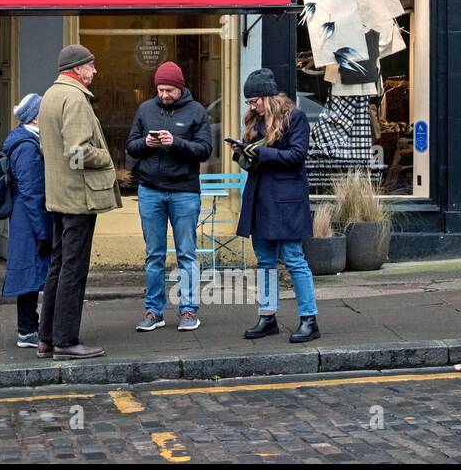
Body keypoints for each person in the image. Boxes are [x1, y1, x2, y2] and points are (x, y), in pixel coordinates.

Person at [36, 45, 121, 361]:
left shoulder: (50, 96)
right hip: (78, 198)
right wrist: (107, 156)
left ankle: (47, 338)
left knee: (58, 266)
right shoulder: (74, 99)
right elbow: (78, 152)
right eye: (91, 65)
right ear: (76, 68)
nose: (95, 71)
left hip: (60, 195)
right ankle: (66, 341)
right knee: (74, 268)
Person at [227, 68, 320, 344]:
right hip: (260, 200)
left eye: (254, 100)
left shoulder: (296, 118)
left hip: (286, 202)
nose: (252, 106)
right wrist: (242, 153)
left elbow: (297, 156)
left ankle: (309, 320)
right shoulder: (255, 122)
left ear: (269, 96)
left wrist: (261, 152)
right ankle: (267, 318)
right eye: (249, 102)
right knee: (265, 261)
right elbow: (256, 162)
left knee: (294, 259)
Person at [126, 61, 212, 333]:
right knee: (154, 254)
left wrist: (176, 143)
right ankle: (154, 311)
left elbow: (204, 150)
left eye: (169, 90)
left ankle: (188, 310)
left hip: (184, 191)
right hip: (150, 189)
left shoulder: (197, 111)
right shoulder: (145, 109)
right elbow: (130, 146)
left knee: (186, 253)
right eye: (161, 90)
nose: (164, 95)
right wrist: (146, 143)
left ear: (180, 87)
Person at [1, 93, 53, 348]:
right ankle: (27, 331)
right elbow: (33, 193)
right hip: (29, 220)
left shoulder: (23, 141)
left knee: (29, 273)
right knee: (29, 275)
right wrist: (43, 232)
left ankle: (29, 328)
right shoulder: (27, 147)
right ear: (35, 117)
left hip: (25, 218)